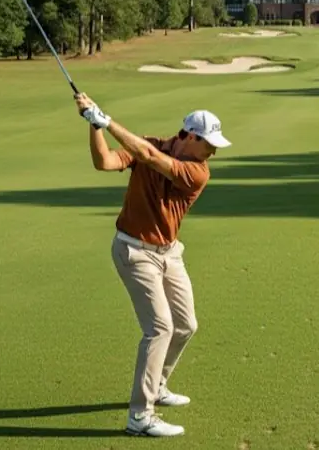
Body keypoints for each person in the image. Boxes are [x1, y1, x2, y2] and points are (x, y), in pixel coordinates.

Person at [75, 93, 231, 437]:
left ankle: (157, 385)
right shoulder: (151, 144)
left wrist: (108, 120)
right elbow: (104, 162)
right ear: (189, 137)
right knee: (159, 327)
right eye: (209, 144)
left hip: (168, 253)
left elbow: (148, 157)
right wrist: (94, 125)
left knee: (186, 325)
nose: (214, 152)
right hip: (133, 252)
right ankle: (140, 416)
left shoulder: (198, 172)